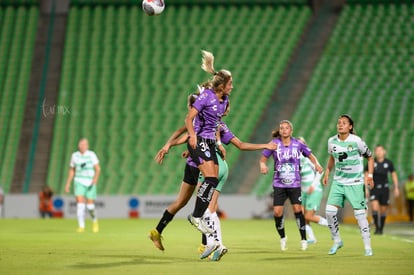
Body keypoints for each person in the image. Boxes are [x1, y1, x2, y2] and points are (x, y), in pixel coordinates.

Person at [149, 94, 276, 260]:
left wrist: (172, 145)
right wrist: (170, 145)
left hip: (195, 164)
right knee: (203, 206)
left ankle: (158, 232)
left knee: (187, 203)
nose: (225, 108)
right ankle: (205, 245)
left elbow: (186, 132)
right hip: (200, 167)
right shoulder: (207, 121)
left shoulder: (214, 124)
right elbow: (187, 133)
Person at [184, 50, 231, 241]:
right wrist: (193, 137)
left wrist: (219, 142)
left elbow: (216, 124)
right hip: (200, 141)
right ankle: (196, 216)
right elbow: (189, 119)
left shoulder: (224, 99)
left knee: (211, 181)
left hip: (210, 143)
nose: (232, 87)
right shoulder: (205, 97)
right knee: (211, 179)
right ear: (222, 86)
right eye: (230, 84)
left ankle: (199, 216)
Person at [260, 120, 323, 251]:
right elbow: (263, 159)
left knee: (298, 210)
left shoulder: (298, 144)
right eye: (281, 128)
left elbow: (310, 155)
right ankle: (283, 237)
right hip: (279, 183)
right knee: (277, 212)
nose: (284, 130)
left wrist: (316, 164)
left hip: (294, 184)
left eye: (286, 128)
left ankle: (304, 239)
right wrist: (263, 165)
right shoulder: (274, 144)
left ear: (291, 131)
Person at [322, 114, 374, 257]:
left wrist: (370, 176)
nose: (340, 125)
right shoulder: (331, 141)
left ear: (350, 127)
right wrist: (327, 172)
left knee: (360, 215)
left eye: (344, 123)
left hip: (356, 183)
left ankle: (367, 247)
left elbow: (370, 157)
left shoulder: (357, 142)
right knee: (329, 212)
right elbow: (332, 157)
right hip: (338, 182)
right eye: (339, 122)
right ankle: (337, 241)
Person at [65, 138, 101, 233]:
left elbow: (98, 168)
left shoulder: (91, 155)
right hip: (79, 181)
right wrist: (68, 183)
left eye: (85, 144)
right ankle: (81, 226)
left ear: (87, 146)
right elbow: (72, 169)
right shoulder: (75, 156)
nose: (83, 146)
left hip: (90, 182)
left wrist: (95, 179)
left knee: (90, 206)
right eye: (81, 144)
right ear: (79, 145)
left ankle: (94, 221)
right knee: (80, 204)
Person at [297, 137, 328, 244]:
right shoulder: (294, 158)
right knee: (301, 216)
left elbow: (320, 171)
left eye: (301, 144)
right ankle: (311, 238)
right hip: (303, 191)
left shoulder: (309, 158)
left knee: (308, 216)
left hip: (313, 190)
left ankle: (331, 225)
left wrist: (313, 185)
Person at [365, 145, 399, 235]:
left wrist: (396, 187)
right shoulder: (371, 162)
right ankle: (377, 228)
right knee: (374, 207)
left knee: (383, 210)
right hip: (374, 188)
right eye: (377, 150)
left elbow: (394, 175)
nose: (379, 152)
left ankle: (381, 228)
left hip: (385, 188)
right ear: (375, 152)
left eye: (380, 150)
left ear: (384, 152)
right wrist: (366, 188)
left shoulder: (389, 163)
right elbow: (366, 175)